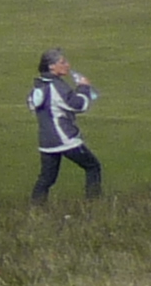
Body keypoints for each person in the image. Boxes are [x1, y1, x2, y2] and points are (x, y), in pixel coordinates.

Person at [28, 49, 101, 202]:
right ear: (51, 66)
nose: (67, 65)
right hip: (65, 138)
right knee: (92, 166)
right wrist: (84, 88)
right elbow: (78, 105)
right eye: (62, 62)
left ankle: (35, 208)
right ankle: (94, 204)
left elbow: (33, 105)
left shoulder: (38, 86)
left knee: (47, 178)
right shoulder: (57, 86)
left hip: (46, 141)